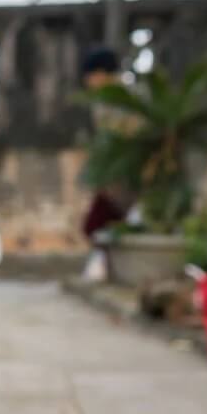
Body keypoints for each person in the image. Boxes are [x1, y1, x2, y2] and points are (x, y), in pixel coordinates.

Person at [77, 46, 136, 280]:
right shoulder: (104, 101)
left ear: (101, 73)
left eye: (90, 75)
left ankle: (110, 268)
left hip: (125, 178)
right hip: (111, 178)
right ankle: (108, 267)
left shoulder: (123, 99)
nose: (88, 82)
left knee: (97, 225)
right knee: (100, 226)